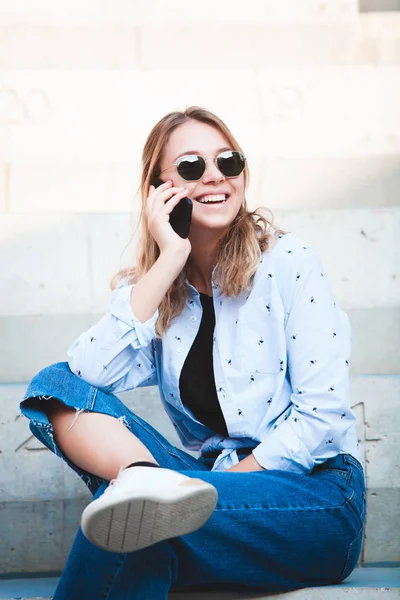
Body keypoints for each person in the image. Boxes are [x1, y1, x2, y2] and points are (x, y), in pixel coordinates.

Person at [20, 106, 366, 599]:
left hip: (318, 498)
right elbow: (85, 372)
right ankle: (142, 480)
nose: (214, 176)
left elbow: (323, 417)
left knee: (134, 516)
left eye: (228, 161)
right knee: (58, 392)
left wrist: (207, 490)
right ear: (159, 192)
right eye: (190, 166)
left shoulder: (289, 264)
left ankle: (148, 491)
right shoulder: (165, 291)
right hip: (210, 485)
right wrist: (171, 258)